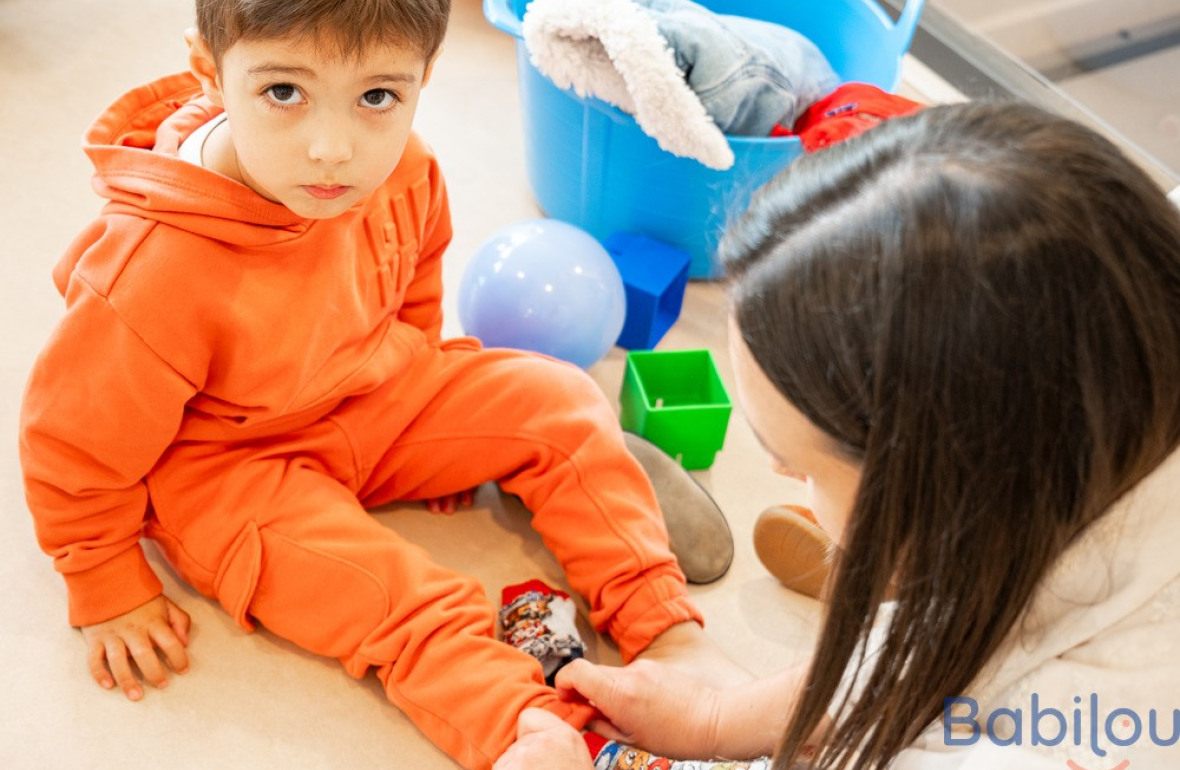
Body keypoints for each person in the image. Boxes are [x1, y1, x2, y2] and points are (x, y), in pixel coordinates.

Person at [16, 2, 746, 769]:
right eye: (284, 93)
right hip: (232, 469)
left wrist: (427, 392)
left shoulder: (403, 165)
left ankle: (665, 634)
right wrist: (101, 575)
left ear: (423, 78)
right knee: (394, 592)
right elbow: (71, 439)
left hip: (373, 394)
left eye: (376, 97)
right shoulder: (150, 269)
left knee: (559, 399)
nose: (332, 149)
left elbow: (414, 280)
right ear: (210, 68)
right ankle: (532, 730)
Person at [492, 102, 1180, 769]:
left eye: (799, 465)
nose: (782, 474)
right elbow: (938, 643)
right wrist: (718, 719)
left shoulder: (1056, 734)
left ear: (953, 508)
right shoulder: (1121, 379)